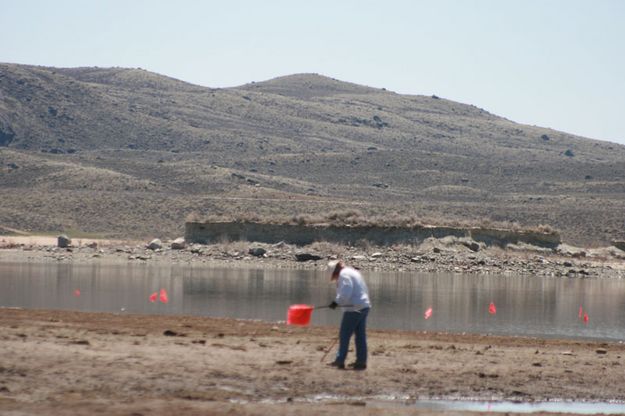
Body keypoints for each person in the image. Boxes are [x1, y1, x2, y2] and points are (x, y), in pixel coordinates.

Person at [327, 260, 371, 370]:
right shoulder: (352, 272)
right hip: (364, 305)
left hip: (353, 308)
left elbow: (346, 291)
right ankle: (361, 362)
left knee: (344, 335)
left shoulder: (344, 274)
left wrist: (336, 302)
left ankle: (340, 360)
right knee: (360, 336)